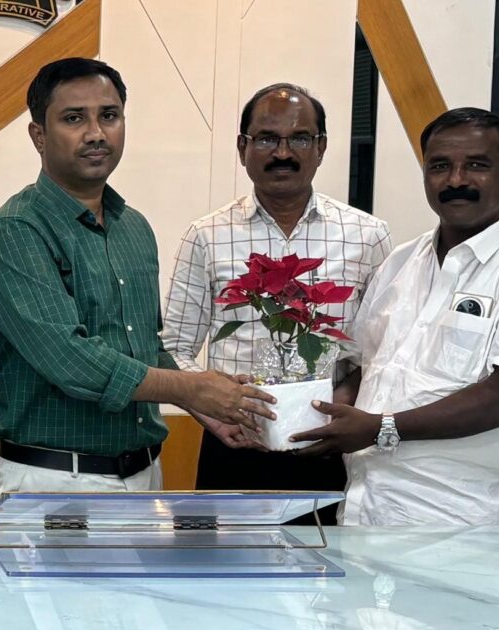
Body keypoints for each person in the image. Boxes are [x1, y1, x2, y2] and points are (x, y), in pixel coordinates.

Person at [0, 57, 271, 501]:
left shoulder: (134, 228)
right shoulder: (16, 230)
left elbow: (144, 347)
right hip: (52, 481)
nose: (96, 133)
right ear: (39, 135)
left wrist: (203, 407)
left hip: (144, 475)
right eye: (74, 118)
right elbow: (72, 362)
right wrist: (192, 387)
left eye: (108, 116)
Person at [290, 108, 499, 524]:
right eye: (440, 166)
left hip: (467, 525)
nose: (456, 180)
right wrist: (318, 414)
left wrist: (379, 427)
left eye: (477, 165)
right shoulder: (400, 263)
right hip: (366, 511)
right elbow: (366, 369)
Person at [161, 82, 388, 512]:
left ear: (321, 147)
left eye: (299, 138)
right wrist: (212, 412)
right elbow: (174, 347)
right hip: (232, 446)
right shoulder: (206, 236)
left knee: (330, 557)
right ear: (242, 147)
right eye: (267, 138)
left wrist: (334, 405)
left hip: (329, 448)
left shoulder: (367, 236)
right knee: (223, 554)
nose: (283, 153)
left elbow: (379, 351)